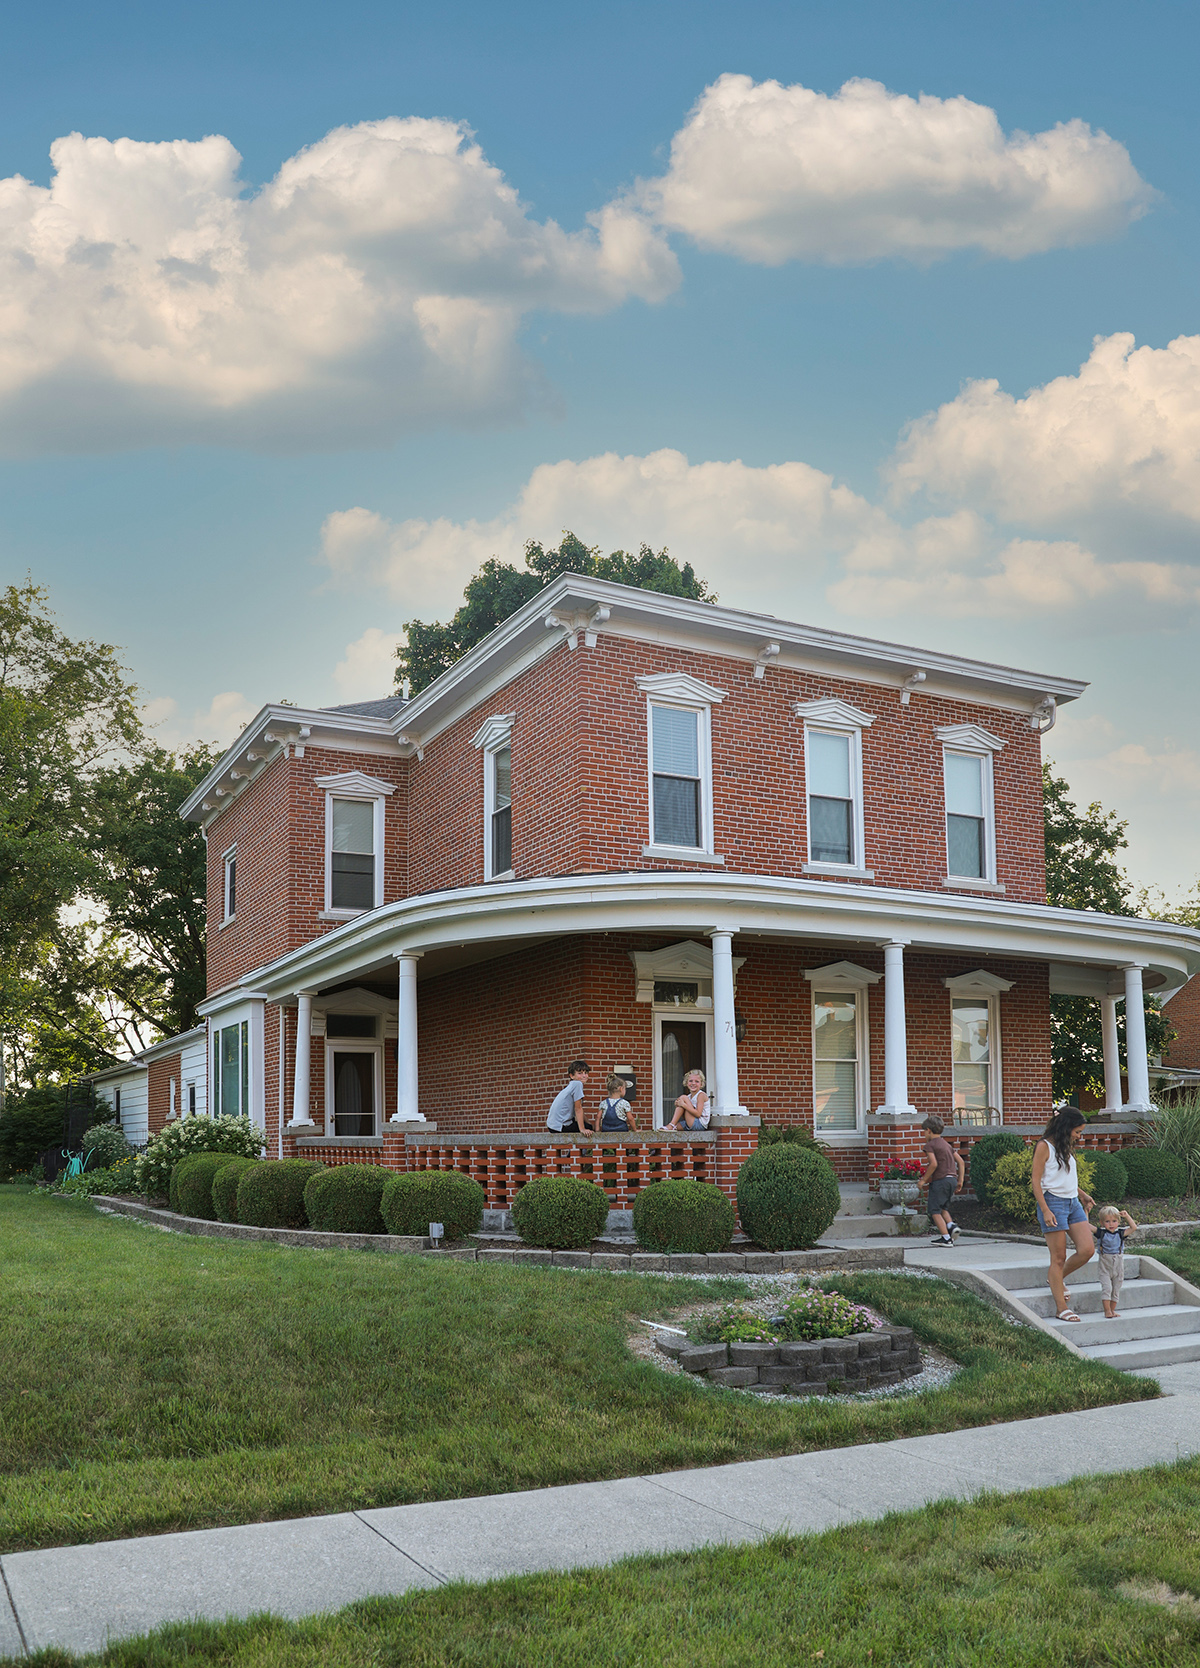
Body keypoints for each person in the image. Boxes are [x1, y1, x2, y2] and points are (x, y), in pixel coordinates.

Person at [1031, 1108, 1097, 1322]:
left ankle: (1056, 1280)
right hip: (1053, 1202)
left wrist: (1083, 1194)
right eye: (1077, 1131)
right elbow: (1036, 1181)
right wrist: (1046, 1209)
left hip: (1073, 1202)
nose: (1079, 1136)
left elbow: (1064, 1176)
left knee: (1087, 1250)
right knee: (1058, 1258)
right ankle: (1061, 1308)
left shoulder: (1065, 1146)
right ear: (1066, 1127)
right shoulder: (1044, 1146)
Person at [919, 1115, 964, 1246]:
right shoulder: (946, 1145)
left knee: (934, 1211)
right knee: (943, 1208)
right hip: (952, 1180)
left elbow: (933, 1164)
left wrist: (923, 1180)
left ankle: (946, 1238)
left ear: (928, 1130)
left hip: (940, 1181)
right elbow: (961, 1162)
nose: (924, 1134)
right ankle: (951, 1225)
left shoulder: (930, 1145)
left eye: (923, 1131)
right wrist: (960, 1180)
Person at [1093, 1204, 1139, 1318]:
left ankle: (1113, 1310)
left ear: (1118, 1222)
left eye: (1114, 1221)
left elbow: (1134, 1228)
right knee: (1107, 1288)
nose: (1111, 1224)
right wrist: (1086, 1211)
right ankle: (1107, 1311)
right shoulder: (1101, 1233)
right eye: (1107, 1221)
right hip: (1105, 1265)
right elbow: (1086, 1226)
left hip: (1118, 1265)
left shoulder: (1120, 1233)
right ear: (1102, 1222)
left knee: (1116, 1289)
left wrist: (1127, 1216)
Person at [546, 1060, 591, 1134]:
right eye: (580, 1073)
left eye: (586, 1073)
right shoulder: (577, 1084)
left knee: (588, 1126)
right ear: (571, 1076)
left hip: (553, 1125)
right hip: (560, 1126)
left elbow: (579, 1110)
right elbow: (578, 1109)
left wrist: (588, 1123)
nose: (584, 1076)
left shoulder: (571, 1086)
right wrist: (583, 1129)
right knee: (588, 1128)